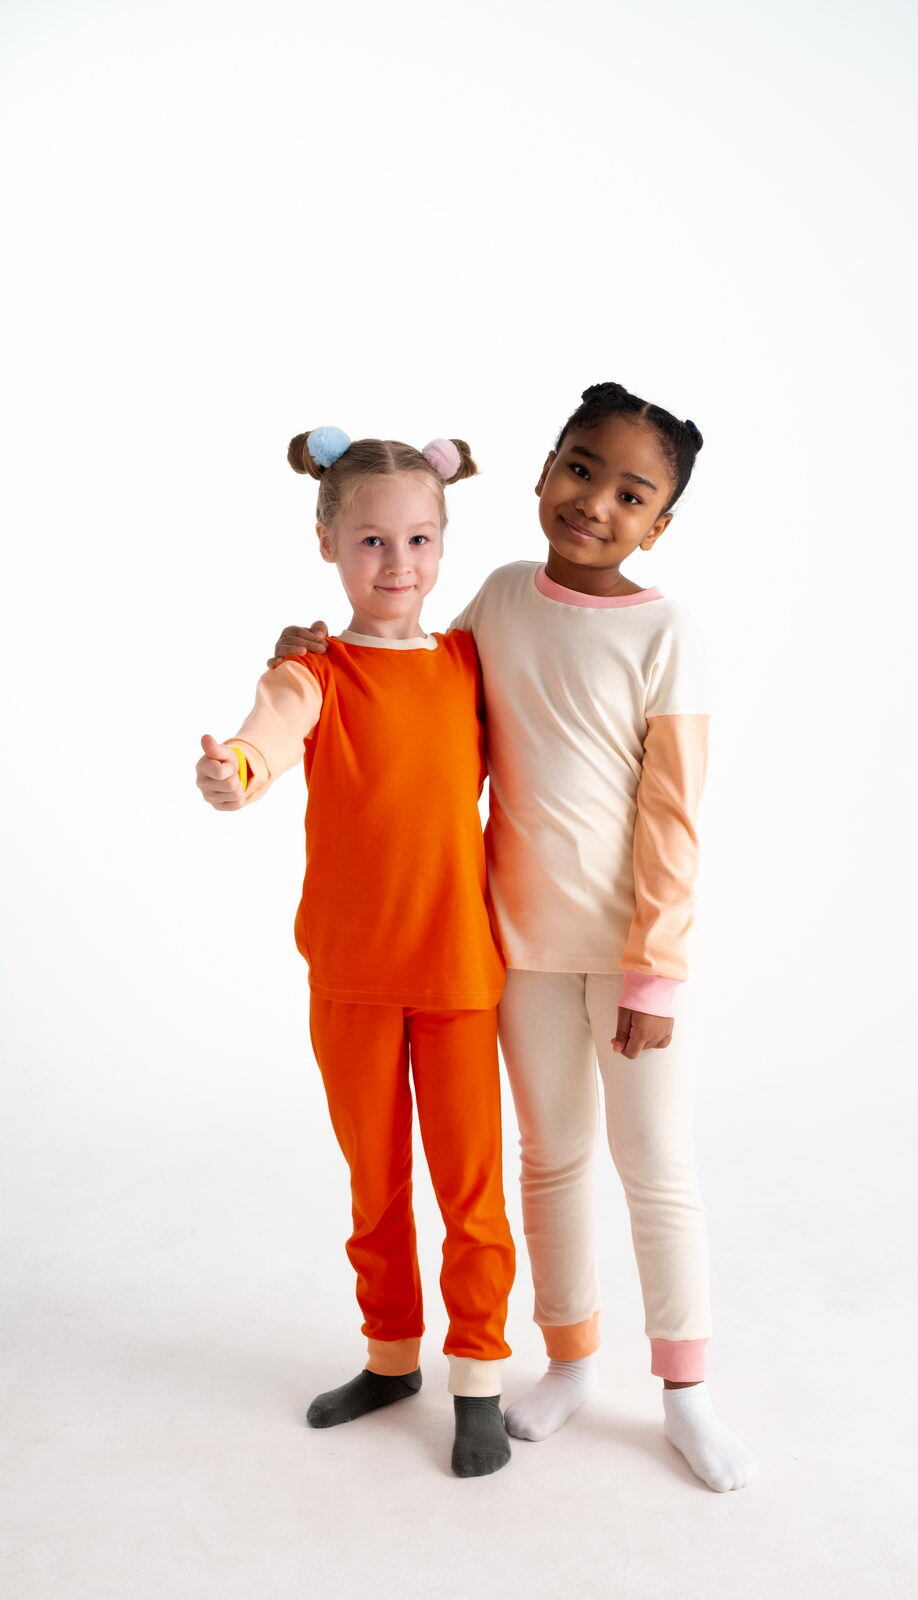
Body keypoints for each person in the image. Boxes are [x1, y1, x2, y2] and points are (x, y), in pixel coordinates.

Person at [269, 383, 757, 1492]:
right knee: (548, 1159)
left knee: (655, 1165)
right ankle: (569, 1359)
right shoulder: (495, 598)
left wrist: (655, 970)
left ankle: (686, 1392)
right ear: (542, 472)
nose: (594, 503)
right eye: (580, 470)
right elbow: (407, 679)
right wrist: (307, 651)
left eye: (630, 494)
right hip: (513, 951)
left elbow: (673, 815)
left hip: (630, 957)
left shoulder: (666, 632)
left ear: (658, 524)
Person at [196, 426, 515, 1478]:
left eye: (419, 539)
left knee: (469, 1193)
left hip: (460, 976)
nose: (397, 563)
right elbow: (268, 733)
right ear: (327, 542)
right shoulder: (314, 670)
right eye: (372, 540)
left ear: (443, 542)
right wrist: (237, 770)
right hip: (352, 980)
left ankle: (478, 1374)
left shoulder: (469, 661)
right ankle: (390, 1358)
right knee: (375, 1188)